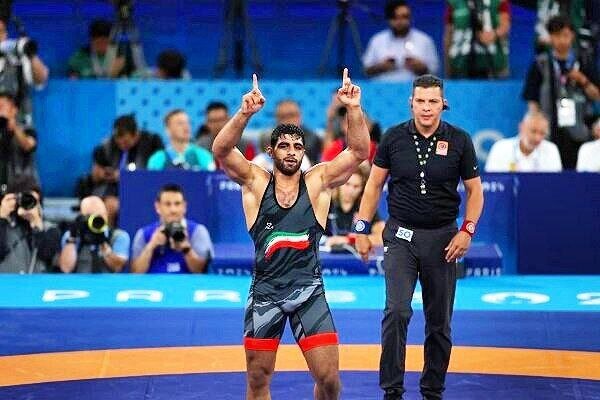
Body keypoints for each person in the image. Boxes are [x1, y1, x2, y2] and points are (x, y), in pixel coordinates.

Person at [211, 69, 370, 399]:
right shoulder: (256, 183)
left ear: (303, 152)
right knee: (258, 378)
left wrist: (353, 108)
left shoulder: (318, 182)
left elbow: (358, 152)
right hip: (265, 292)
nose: (291, 151)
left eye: (297, 146)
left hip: (308, 291)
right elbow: (222, 150)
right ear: (271, 151)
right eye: (283, 146)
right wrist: (244, 113)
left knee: (329, 379)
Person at [354, 74, 484, 400]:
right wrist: (361, 229)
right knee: (397, 311)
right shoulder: (393, 137)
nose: (426, 108)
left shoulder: (460, 140)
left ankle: (432, 390)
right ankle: (392, 390)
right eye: (421, 101)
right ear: (411, 103)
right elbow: (373, 185)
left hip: (443, 240)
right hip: (400, 237)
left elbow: (475, 191)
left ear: (443, 104)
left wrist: (467, 230)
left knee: (439, 322)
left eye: (433, 101)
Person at [522, 15, 600, 169]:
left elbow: (597, 95)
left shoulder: (585, 61)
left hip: (582, 130)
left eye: (566, 35)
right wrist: (538, 126)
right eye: (557, 35)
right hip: (551, 131)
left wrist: (582, 80)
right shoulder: (540, 64)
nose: (562, 40)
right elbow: (532, 101)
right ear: (550, 37)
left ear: (572, 35)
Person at [76, 114, 163, 225]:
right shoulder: (106, 146)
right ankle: (105, 234)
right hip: (114, 192)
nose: (122, 145)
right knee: (109, 205)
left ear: (136, 135)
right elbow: (95, 174)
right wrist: (101, 174)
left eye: (126, 142)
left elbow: (157, 173)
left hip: (143, 189)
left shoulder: (152, 143)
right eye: (118, 142)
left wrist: (126, 176)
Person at [131, 184, 214, 274]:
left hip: (187, 282)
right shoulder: (143, 234)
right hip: (155, 282)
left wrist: (186, 249)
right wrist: (151, 246)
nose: (173, 210)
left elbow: (200, 272)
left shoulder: (198, 232)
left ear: (184, 207)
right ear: (158, 207)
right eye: (167, 204)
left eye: (177, 204)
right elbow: (136, 273)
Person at [363, 0, 439, 81]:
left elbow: (434, 72)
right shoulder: (377, 40)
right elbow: (366, 70)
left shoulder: (424, 40)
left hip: (415, 87)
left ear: (410, 18)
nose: (400, 21)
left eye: (404, 17)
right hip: (381, 87)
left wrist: (421, 68)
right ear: (388, 19)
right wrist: (381, 67)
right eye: (395, 17)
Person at [0, 175, 61, 273]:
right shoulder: (4, 226)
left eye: (33, 200)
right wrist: (2, 217)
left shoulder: (50, 229)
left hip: (36, 282)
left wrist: (37, 224)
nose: (28, 203)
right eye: (24, 199)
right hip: (7, 282)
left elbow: (47, 255)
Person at [58, 196, 130, 273]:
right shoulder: (71, 236)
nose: (95, 221)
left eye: (99, 216)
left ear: (106, 215)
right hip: (79, 280)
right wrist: (72, 237)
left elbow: (117, 267)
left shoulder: (119, 236)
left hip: (108, 280)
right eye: (89, 216)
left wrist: (103, 243)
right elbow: (66, 268)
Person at [444, 0, 511, 78]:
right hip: (460, 65)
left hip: (493, 65)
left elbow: (505, 25)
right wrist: (448, 68)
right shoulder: (454, 2)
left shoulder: (499, 1)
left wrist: (494, 34)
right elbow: (448, 34)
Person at [0, 17, 49, 124]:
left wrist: (30, 54)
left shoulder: (18, 60)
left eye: (1, 32)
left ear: (5, 34)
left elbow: (41, 79)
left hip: (15, 125)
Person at [324, 165, 384, 248]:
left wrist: (348, 240)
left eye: (356, 186)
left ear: (362, 188)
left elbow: (381, 237)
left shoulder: (366, 207)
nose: (350, 190)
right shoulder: (326, 203)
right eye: (347, 184)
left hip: (356, 255)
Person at [485, 112, 562, 172]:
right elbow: (492, 182)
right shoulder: (500, 148)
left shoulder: (551, 150)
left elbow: (556, 183)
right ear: (521, 127)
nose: (537, 138)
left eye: (542, 133)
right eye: (533, 131)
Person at [147, 109, 215, 171]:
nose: (186, 126)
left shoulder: (202, 155)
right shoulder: (157, 159)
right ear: (168, 130)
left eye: (187, 122)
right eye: (180, 123)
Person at [0, 92, 38, 189]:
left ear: (14, 110)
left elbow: (28, 146)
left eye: (2, 106)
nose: (0, 109)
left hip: (24, 185)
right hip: (4, 185)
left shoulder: (26, 129)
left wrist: (14, 127)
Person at [275, 99, 322, 165]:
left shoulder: (313, 138)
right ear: (276, 119)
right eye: (283, 117)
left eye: (292, 115)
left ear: (300, 116)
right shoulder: (268, 139)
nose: (288, 120)